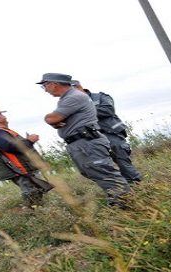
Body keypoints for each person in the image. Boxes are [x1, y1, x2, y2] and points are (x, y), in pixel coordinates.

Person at [37, 73, 131, 207]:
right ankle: (121, 200)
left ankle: (126, 203)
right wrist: (54, 121)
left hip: (87, 142)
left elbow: (52, 118)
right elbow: (56, 120)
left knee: (104, 172)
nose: (46, 90)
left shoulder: (73, 97)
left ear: (54, 84)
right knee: (95, 172)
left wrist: (50, 119)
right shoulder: (68, 98)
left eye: (45, 86)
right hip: (82, 143)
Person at [71, 80, 142, 183]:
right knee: (100, 166)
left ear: (78, 87)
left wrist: (84, 111)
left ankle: (135, 183)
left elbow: (108, 110)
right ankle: (120, 188)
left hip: (111, 133)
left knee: (122, 160)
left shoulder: (100, 97)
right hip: (93, 138)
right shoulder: (72, 105)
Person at [0, 108, 47, 209]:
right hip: (20, 168)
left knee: (36, 190)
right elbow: (10, 147)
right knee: (31, 191)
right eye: (2, 115)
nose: (6, 117)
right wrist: (29, 141)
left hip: (22, 167)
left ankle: (38, 212)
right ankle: (32, 214)